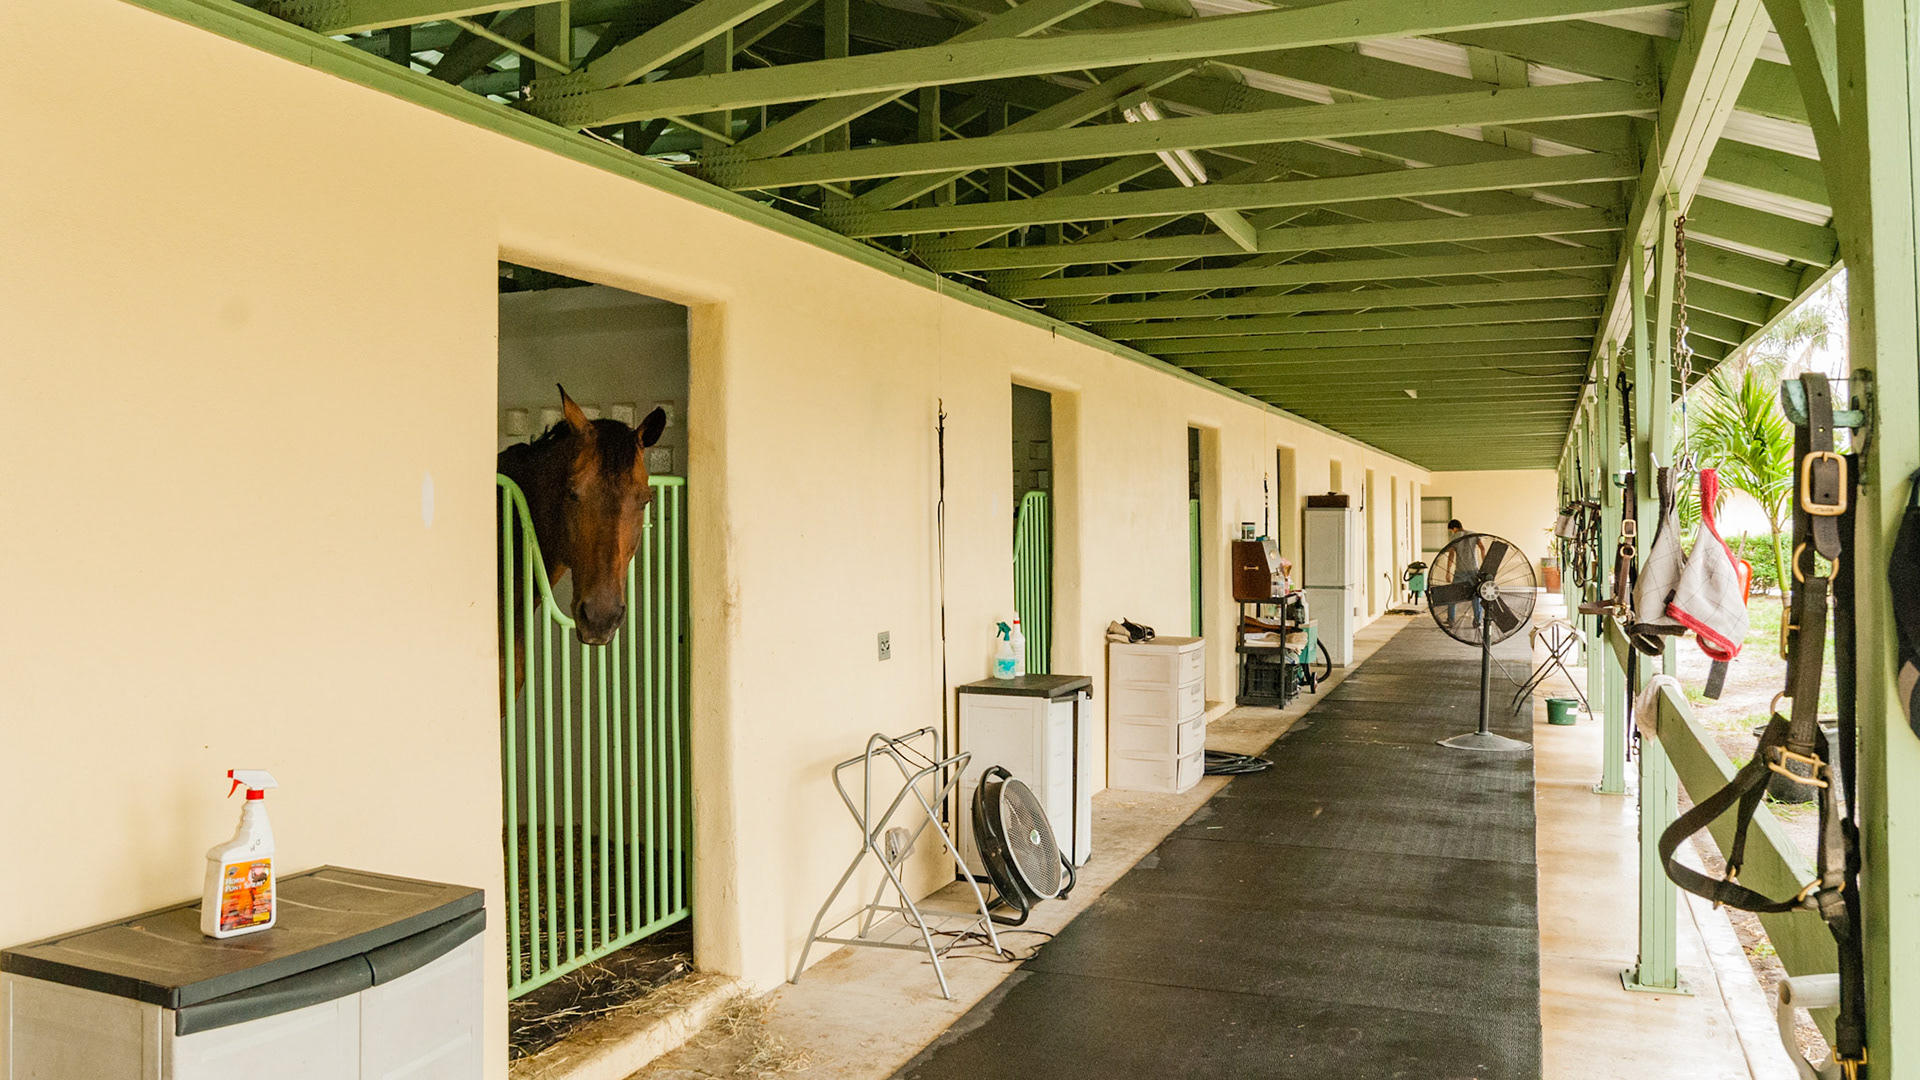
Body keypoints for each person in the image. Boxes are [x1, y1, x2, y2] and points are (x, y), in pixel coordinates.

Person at [1436, 519, 1486, 627]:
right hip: (1473, 570)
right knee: (1476, 595)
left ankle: (1451, 620)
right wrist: (1484, 564)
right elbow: (1482, 548)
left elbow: (1451, 554)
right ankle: (1477, 621)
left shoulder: (1454, 537)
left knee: (1452, 595)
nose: (1452, 532)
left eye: (1451, 530)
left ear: (1454, 528)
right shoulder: (1474, 534)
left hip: (1460, 571)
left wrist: (1448, 571)